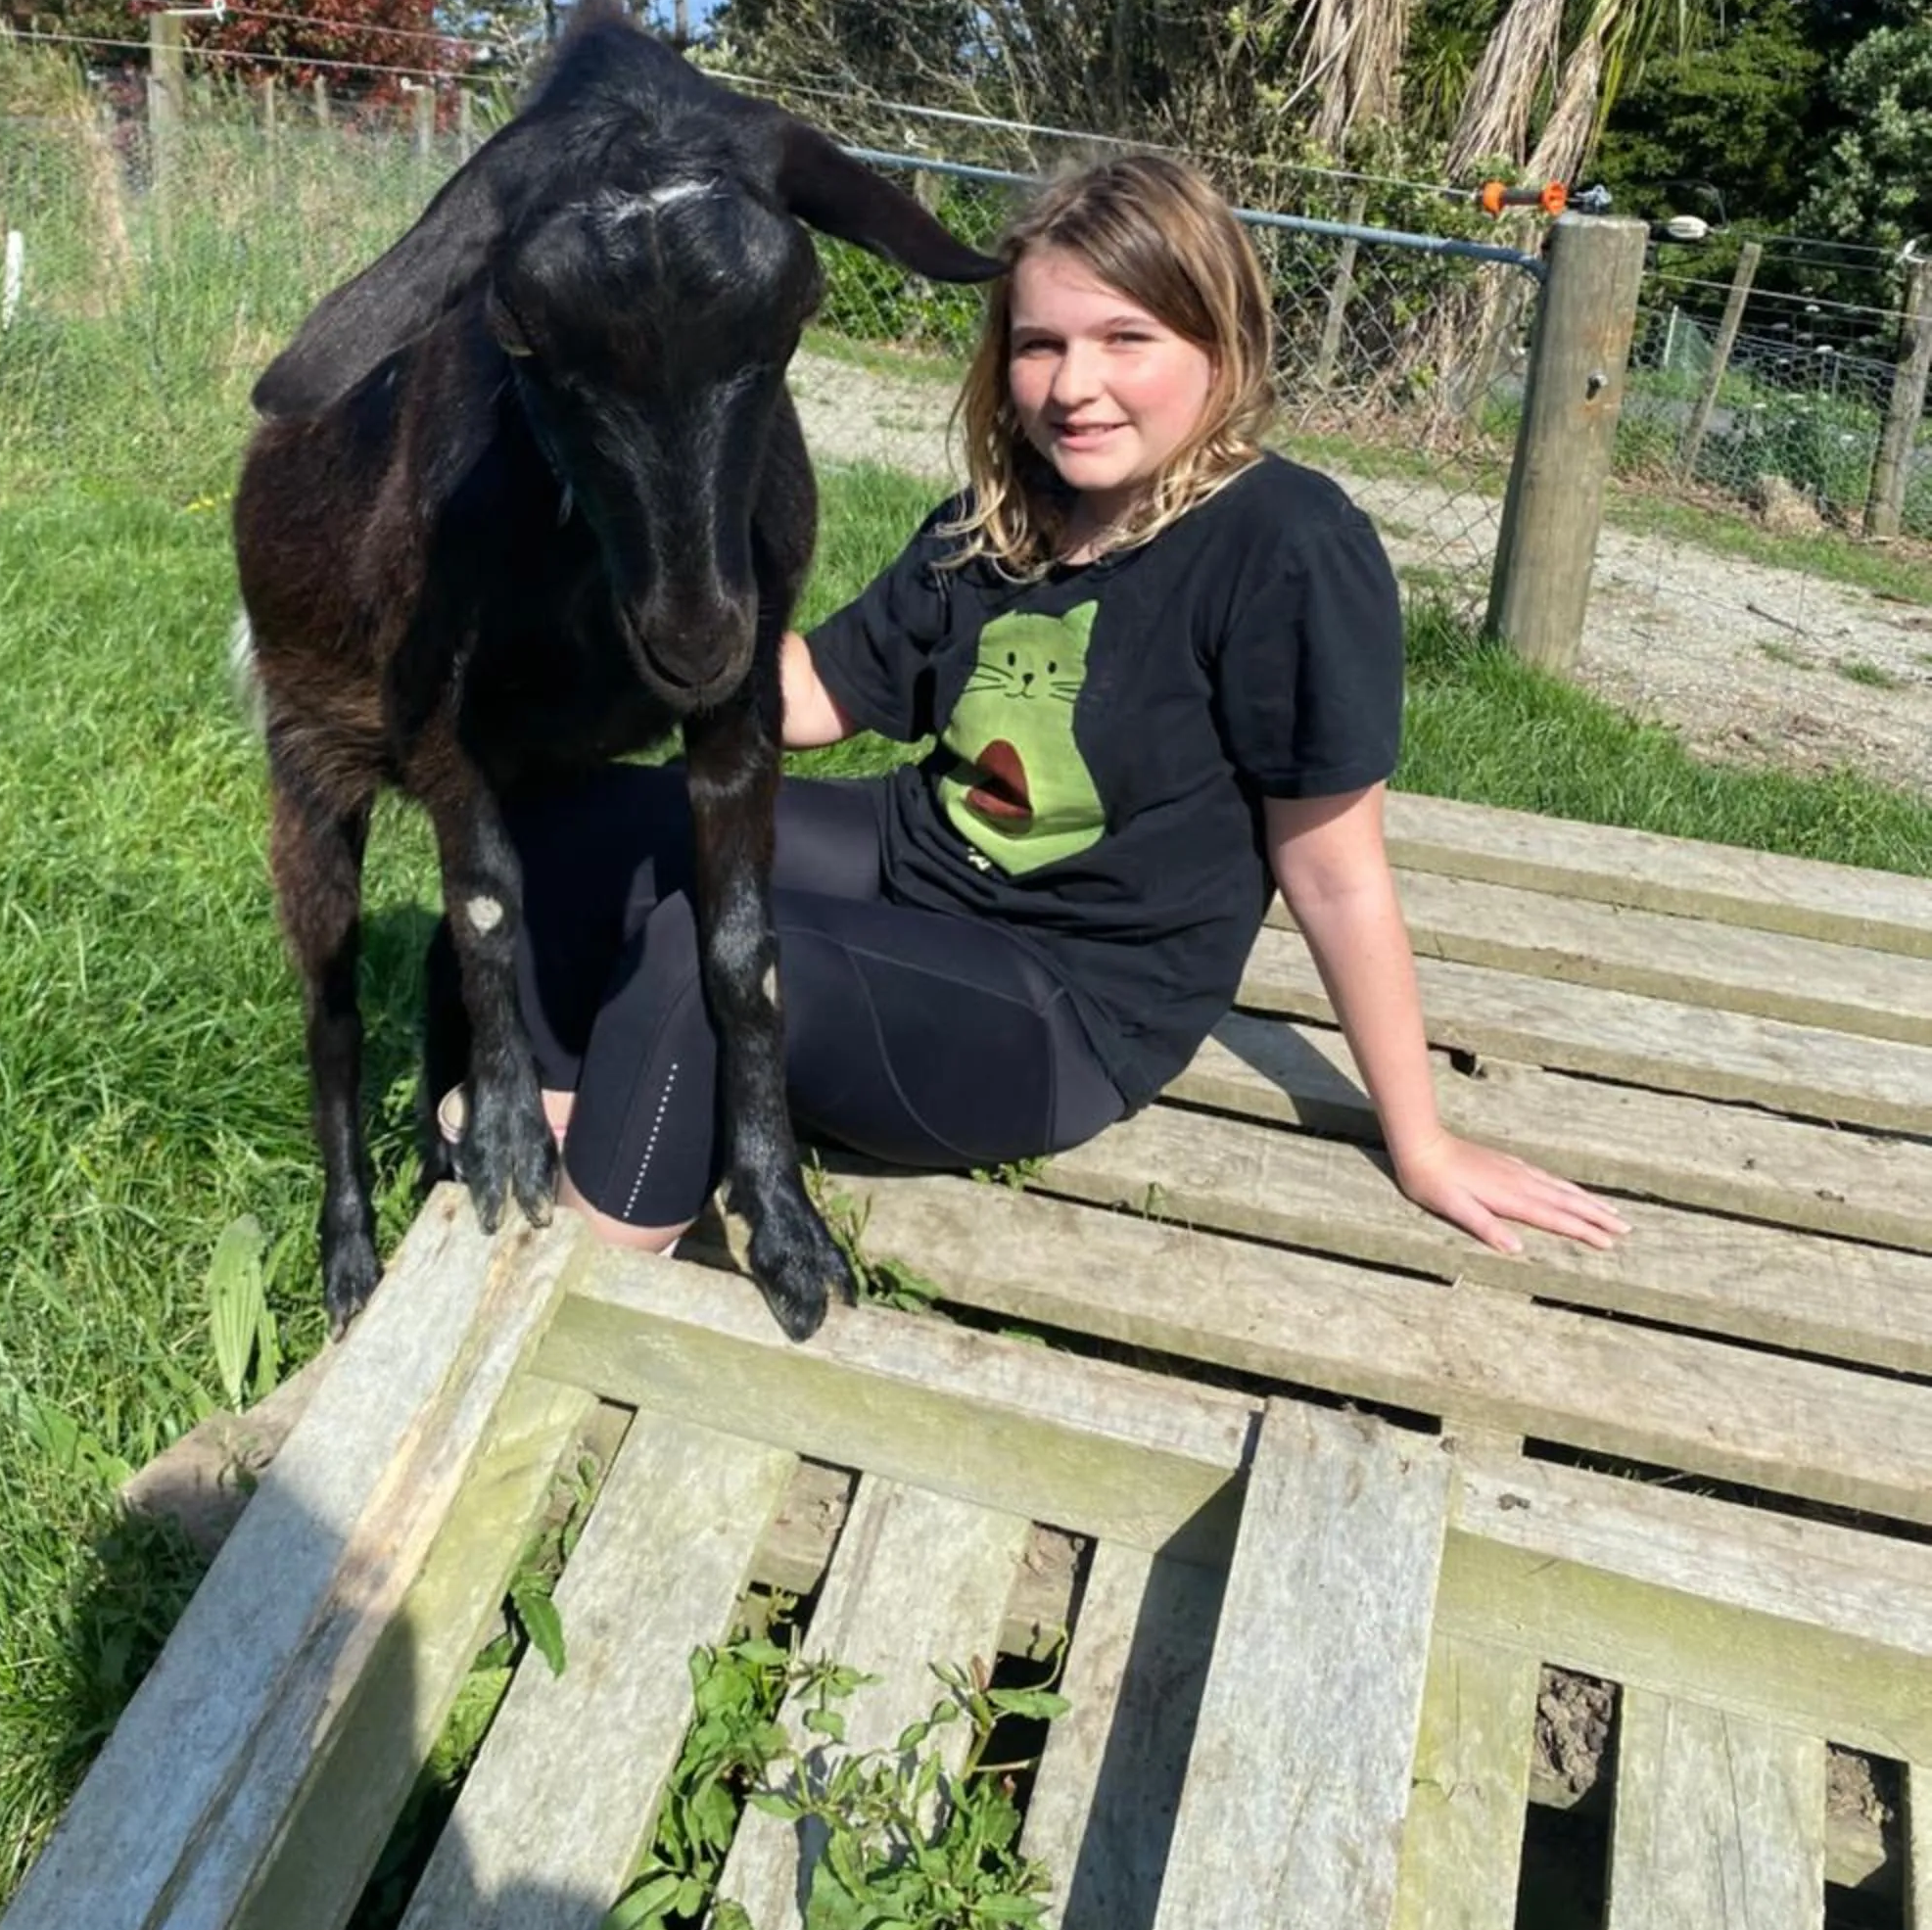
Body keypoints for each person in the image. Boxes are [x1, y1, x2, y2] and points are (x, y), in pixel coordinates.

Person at [495, 152, 1626, 1265]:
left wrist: (1420, 1142)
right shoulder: (998, 517)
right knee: (566, 820)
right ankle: (557, 1109)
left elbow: (1335, 869)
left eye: (1126, 339)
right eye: (1041, 344)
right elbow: (820, 692)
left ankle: (585, 1268)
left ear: (1220, 345)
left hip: (1067, 1000)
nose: (1073, 386)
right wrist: (628, 629)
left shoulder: (1288, 545)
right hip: (911, 863)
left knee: (714, 952)